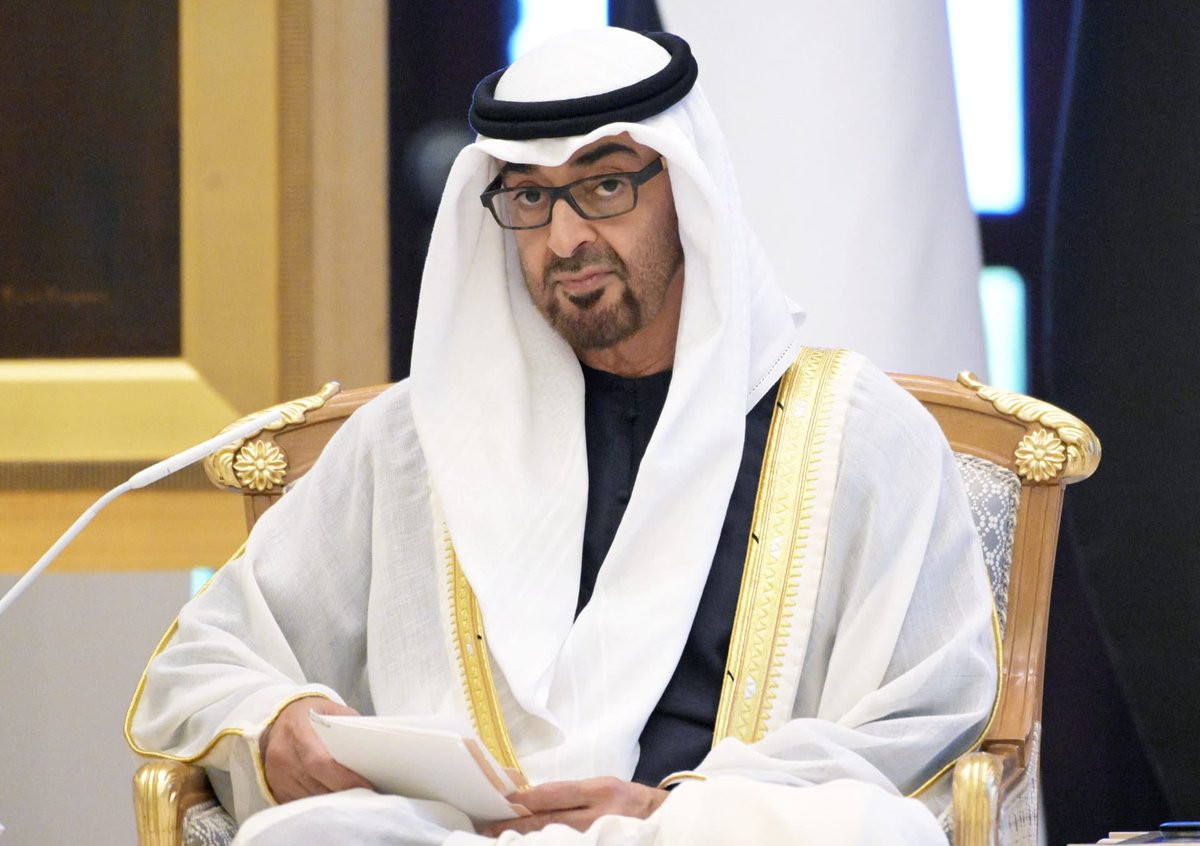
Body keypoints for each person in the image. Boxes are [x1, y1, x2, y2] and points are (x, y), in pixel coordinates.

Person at [128, 27, 998, 846]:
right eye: (531, 198)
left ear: (689, 193)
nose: (566, 238)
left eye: (606, 185)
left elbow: (924, 718)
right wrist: (278, 720)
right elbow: (206, 658)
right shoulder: (412, 443)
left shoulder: (859, 437)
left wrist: (676, 811)